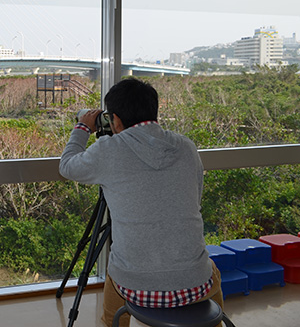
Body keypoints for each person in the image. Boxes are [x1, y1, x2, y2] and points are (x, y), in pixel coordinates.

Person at [58, 78, 223, 327]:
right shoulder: (187, 147)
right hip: (194, 284)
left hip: (133, 286)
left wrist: (83, 126)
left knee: (116, 275)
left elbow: (67, 166)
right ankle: (215, 322)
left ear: (116, 120)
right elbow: (194, 198)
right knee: (210, 268)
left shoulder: (109, 150)